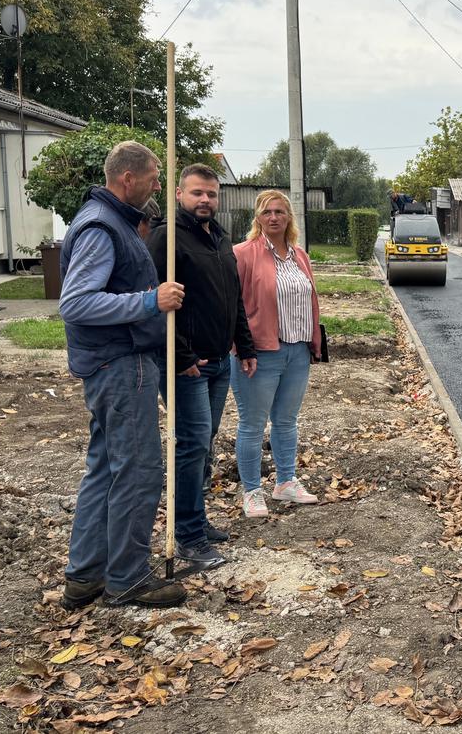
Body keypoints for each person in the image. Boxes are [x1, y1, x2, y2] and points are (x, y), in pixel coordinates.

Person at [58, 141, 187, 610]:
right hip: (120, 363)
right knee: (137, 469)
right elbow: (75, 303)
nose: (158, 184)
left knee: (105, 469)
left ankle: (86, 576)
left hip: (113, 363)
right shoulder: (100, 226)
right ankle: (128, 577)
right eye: (154, 177)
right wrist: (151, 300)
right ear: (127, 179)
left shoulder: (111, 221)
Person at [145, 163, 257, 567]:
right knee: (189, 447)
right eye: (197, 193)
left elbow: (234, 297)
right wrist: (182, 355)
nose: (205, 200)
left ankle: (197, 519)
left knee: (203, 444)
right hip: (186, 366)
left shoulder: (220, 238)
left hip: (219, 362)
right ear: (179, 195)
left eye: (211, 193)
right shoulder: (166, 238)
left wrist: (244, 345)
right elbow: (153, 301)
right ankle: (188, 536)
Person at [231, 189, 323, 518]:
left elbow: (311, 300)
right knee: (252, 424)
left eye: (280, 212)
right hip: (258, 353)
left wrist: (314, 342)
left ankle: (285, 482)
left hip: (298, 351)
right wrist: (239, 346)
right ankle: (252, 491)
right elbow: (232, 305)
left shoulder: (300, 255)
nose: (274, 217)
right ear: (257, 218)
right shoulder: (242, 254)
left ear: (289, 218)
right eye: (267, 212)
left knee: (286, 421)